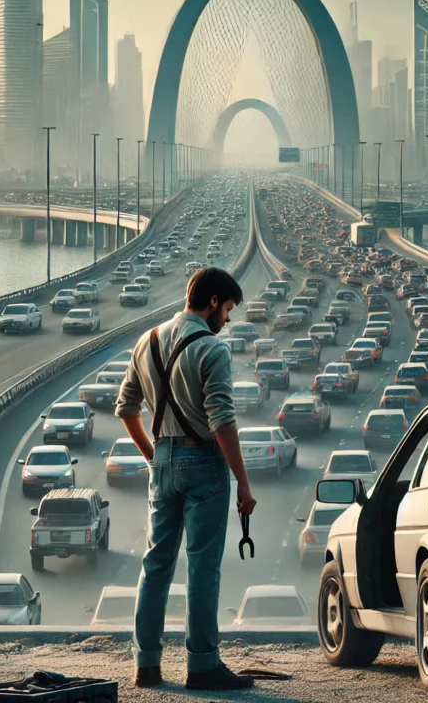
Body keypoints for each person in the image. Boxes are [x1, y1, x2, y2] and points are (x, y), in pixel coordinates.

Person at [115, 267, 257, 691]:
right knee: (202, 568)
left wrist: (154, 455)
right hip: (204, 466)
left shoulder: (148, 341)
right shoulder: (213, 350)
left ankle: (147, 665)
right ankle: (202, 667)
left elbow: (126, 408)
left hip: (163, 463)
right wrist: (244, 484)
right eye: (228, 308)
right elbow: (223, 421)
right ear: (212, 302)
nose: (229, 318)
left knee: (155, 564)